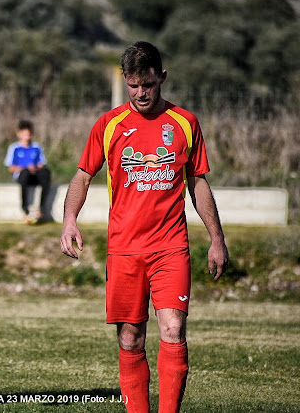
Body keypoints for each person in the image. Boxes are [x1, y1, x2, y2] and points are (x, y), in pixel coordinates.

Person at [60, 41, 228, 413]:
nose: (141, 93)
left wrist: (217, 238)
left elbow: (198, 183)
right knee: (131, 338)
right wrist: (69, 220)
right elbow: (83, 177)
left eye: (148, 85)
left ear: (162, 78)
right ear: (125, 81)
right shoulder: (108, 125)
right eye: (134, 86)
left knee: (173, 330)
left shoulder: (185, 123)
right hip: (124, 250)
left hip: (171, 247)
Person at [4, 120, 52, 224]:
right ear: (19, 134)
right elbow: (10, 168)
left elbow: (42, 163)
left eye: (29, 134)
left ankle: (41, 208)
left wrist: (35, 168)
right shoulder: (14, 148)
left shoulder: (37, 147)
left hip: (35, 175)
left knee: (46, 172)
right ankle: (25, 209)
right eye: (25, 134)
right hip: (22, 176)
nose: (27, 136)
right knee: (25, 172)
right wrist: (25, 168)